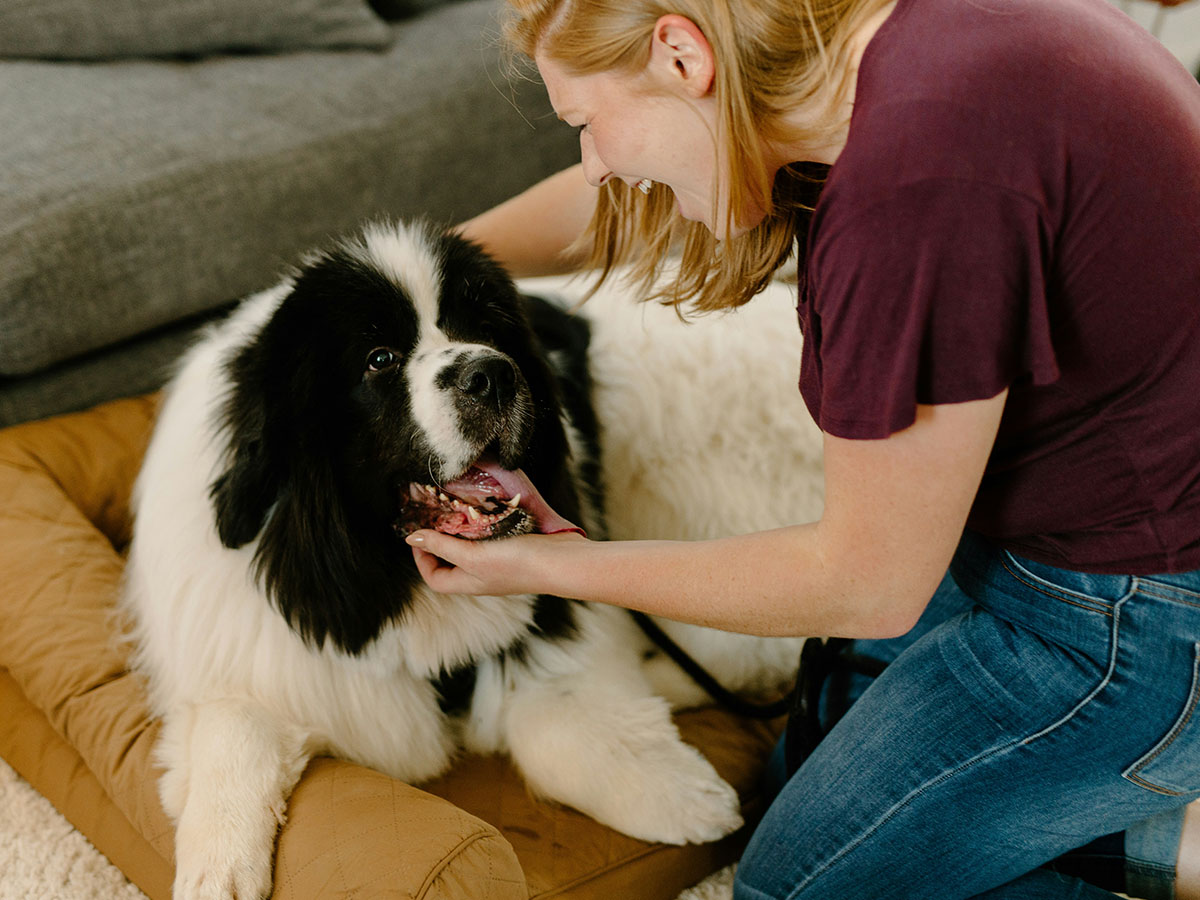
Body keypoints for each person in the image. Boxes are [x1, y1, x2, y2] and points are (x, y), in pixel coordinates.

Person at [404, 0, 1200, 896]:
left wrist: (557, 565)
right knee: (807, 750)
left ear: (679, 51)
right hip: (1057, 536)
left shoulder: (913, 186)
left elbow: (867, 583)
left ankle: (1171, 834)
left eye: (585, 125)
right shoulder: (870, 65)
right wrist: (421, 267)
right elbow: (617, 205)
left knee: (788, 887)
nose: (593, 163)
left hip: (1138, 617)